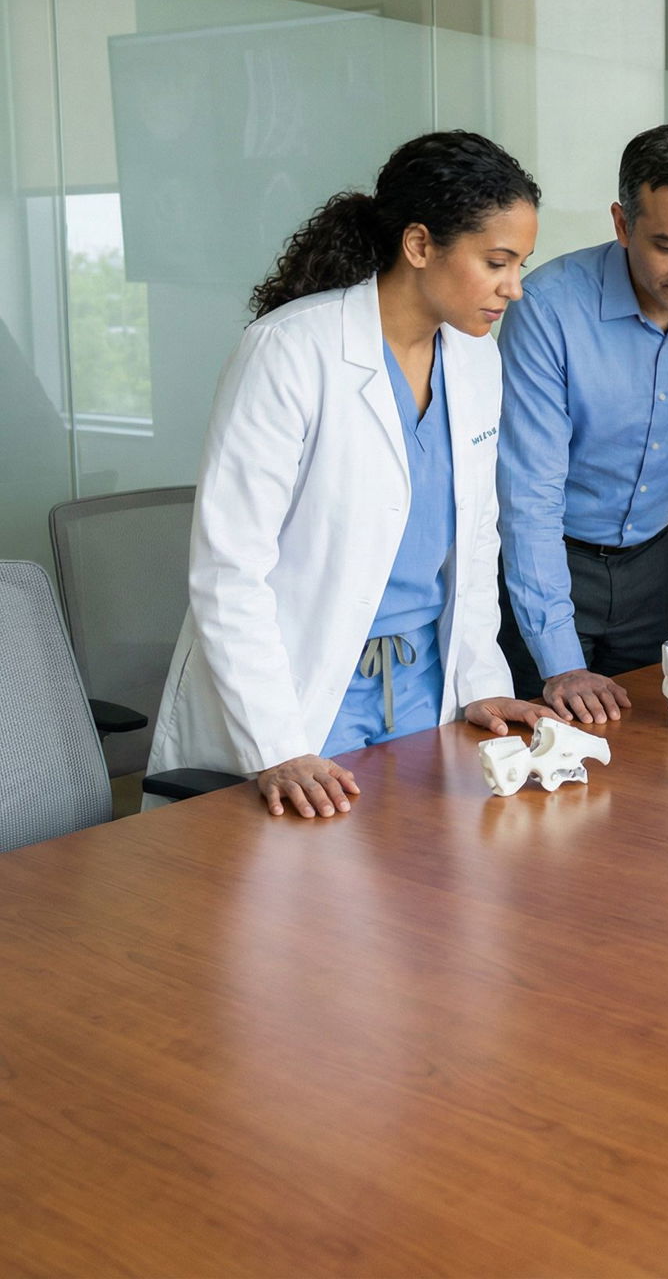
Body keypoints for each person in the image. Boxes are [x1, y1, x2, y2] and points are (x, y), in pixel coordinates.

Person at [148, 132, 551, 818]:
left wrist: (479, 680)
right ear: (420, 245)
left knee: (435, 901)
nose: (514, 288)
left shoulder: (477, 360)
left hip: (429, 683)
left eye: (520, 264)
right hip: (305, 691)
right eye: (496, 262)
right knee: (312, 912)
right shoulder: (290, 351)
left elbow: (477, 539)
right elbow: (228, 571)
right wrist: (278, 744)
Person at [497, 122, 668, 724]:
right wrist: (560, 662)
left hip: (655, 566)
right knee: (542, 762)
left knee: (650, 758)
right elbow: (529, 497)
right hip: (546, 565)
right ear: (623, 225)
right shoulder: (546, 308)